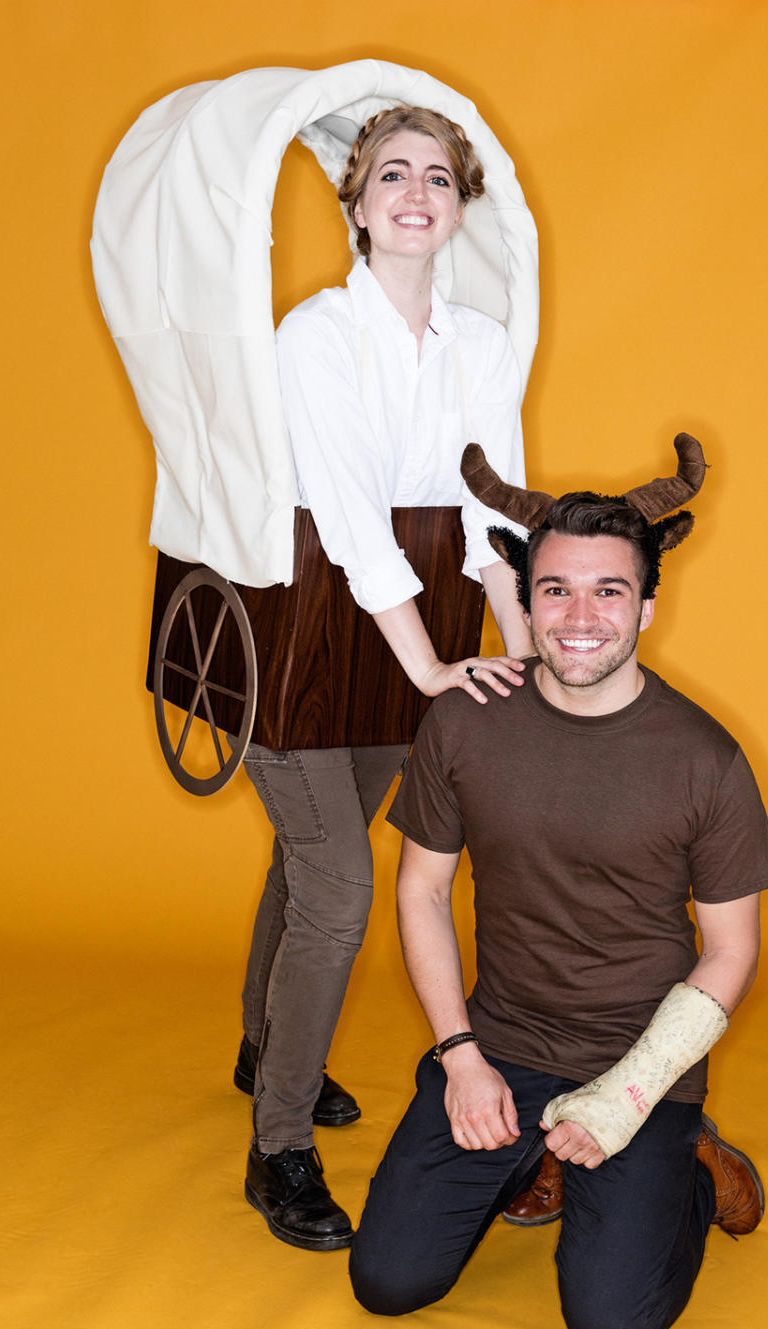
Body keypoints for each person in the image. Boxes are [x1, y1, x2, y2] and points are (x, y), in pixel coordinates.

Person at [348, 437, 768, 1329]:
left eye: (609, 590)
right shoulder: (466, 720)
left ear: (647, 606)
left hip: (640, 1062)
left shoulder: (705, 757)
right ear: (525, 598)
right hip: (498, 1049)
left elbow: (731, 951)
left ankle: (691, 1168)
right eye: (555, 589)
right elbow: (422, 890)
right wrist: (461, 1058)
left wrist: (628, 1097)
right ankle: (533, 1149)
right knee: (387, 1282)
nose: (579, 616)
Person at [237, 106, 535, 1252]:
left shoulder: (483, 344)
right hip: (309, 633)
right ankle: (278, 1143)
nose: (418, 193)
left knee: (310, 857)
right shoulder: (315, 334)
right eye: (393, 175)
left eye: (441, 178)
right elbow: (356, 524)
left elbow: (486, 511)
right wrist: (433, 667)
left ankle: (266, 1045)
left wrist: (521, 646)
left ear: (459, 208)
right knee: (342, 886)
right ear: (357, 204)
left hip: (412, 640)